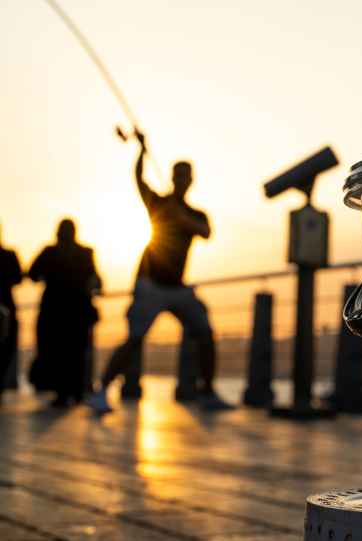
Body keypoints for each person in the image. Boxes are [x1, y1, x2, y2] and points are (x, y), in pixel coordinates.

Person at [87, 130, 230, 413]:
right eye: (178, 174)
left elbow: (206, 232)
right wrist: (141, 149)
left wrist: (182, 218)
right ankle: (102, 390)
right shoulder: (159, 203)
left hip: (178, 287)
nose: (182, 179)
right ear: (174, 177)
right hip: (150, 284)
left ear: (191, 180)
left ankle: (208, 391)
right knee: (135, 338)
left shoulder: (195, 213)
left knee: (204, 331)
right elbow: (138, 179)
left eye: (186, 175)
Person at [28, 219, 101, 407]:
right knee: (73, 351)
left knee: (59, 350)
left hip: (57, 309)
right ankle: (74, 391)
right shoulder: (84, 253)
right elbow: (96, 280)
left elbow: (33, 274)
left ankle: (66, 392)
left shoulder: (51, 252)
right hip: (74, 309)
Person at [0, 226, 23, 403]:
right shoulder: (9, 255)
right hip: (7, 305)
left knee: (6, 347)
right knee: (5, 347)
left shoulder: (8, 255)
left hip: (6, 308)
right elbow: (19, 277)